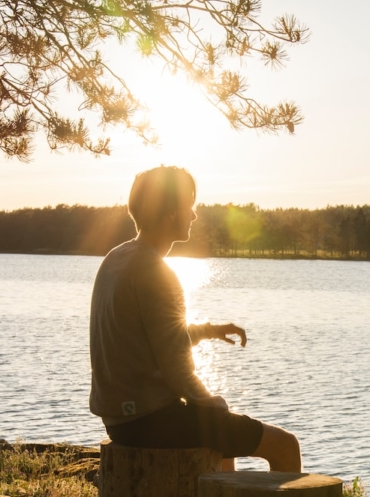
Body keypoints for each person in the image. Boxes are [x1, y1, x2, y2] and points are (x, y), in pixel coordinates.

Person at [89, 165, 301, 472]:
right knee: (284, 445)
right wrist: (216, 405)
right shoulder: (156, 272)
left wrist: (209, 331)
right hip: (151, 421)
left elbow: (153, 338)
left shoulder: (117, 258)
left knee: (219, 435)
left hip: (119, 421)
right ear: (172, 213)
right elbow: (178, 369)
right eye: (190, 206)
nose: (195, 214)